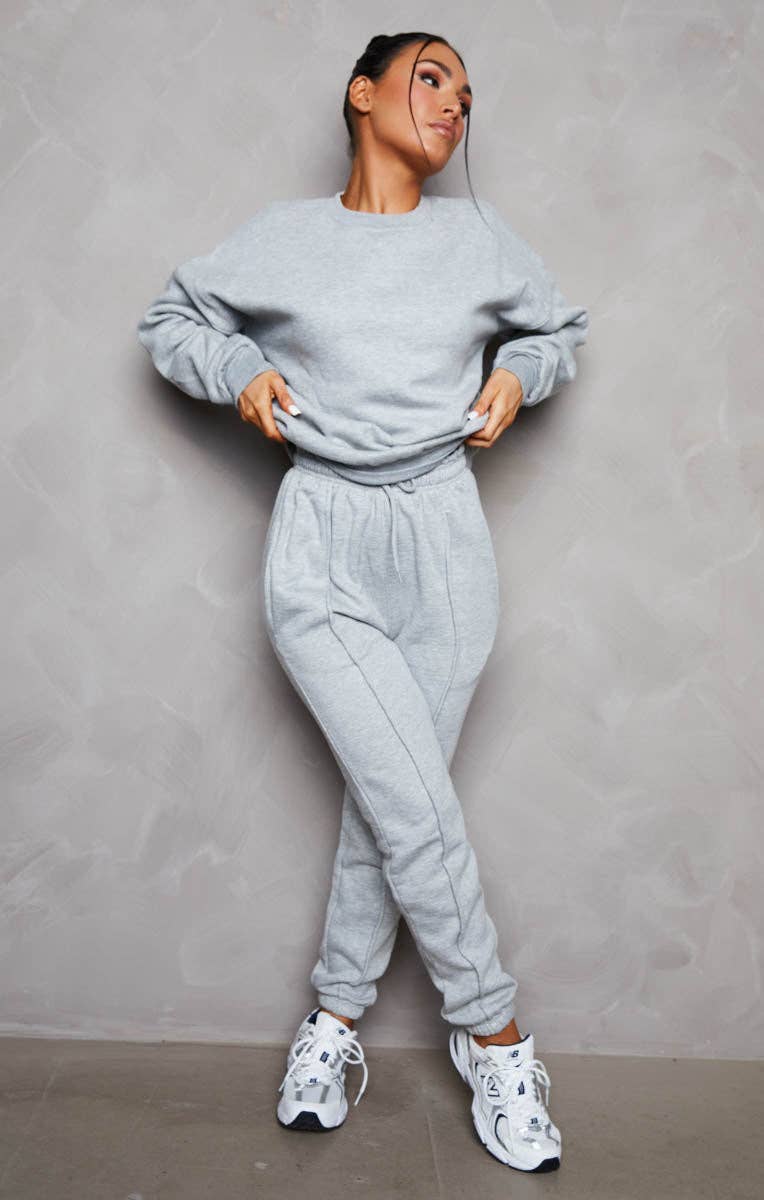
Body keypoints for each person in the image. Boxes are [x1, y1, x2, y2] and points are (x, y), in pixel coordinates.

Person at [136, 30, 589, 1175]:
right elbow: (170, 324)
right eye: (430, 77)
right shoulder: (286, 237)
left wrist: (515, 373)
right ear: (362, 92)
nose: (452, 104)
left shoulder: (476, 237)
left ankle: (333, 1022)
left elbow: (559, 331)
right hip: (322, 542)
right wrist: (237, 371)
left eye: (466, 95)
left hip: (443, 541)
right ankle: (495, 1035)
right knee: (410, 805)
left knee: (393, 806)